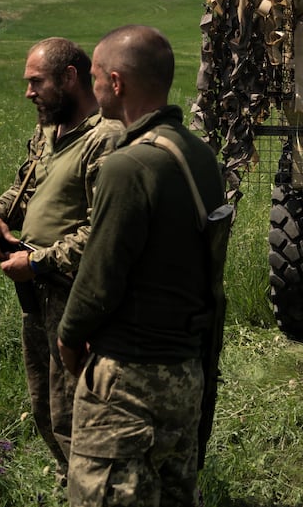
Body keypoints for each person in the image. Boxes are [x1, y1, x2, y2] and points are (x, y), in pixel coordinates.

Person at [58, 25, 227, 507]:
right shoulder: (198, 155)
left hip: (127, 381)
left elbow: (99, 277)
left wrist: (69, 338)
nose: (92, 89)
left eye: (94, 78)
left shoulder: (127, 166)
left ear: (117, 82)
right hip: (185, 373)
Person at [0, 37, 124, 478]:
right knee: (45, 408)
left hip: (77, 297)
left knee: (80, 415)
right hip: (36, 293)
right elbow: (25, 191)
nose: (28, 92)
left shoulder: (105, 138)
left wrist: (37, 263)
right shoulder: (47, 132)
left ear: (70, 78)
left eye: (36, 82)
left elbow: (103, 231)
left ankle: (98, 491)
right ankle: (75, 485)